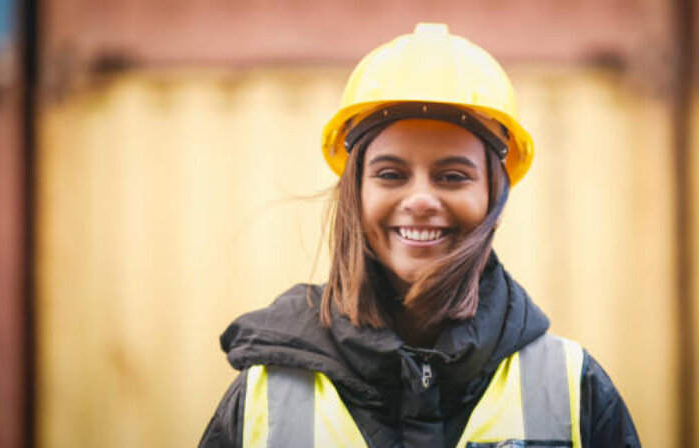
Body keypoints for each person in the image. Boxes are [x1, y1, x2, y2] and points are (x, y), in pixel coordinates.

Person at [200, 23, 640, 448]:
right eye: (391, 174)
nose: (422, 199)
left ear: (496, 198)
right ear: (355, 194)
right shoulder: (264, 398)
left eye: (452, 176)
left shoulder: (573, 391)